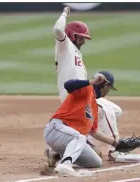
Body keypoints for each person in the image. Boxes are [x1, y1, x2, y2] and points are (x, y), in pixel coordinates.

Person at [45, 6, 122, 166]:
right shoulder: (64, 46)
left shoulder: (76, 53)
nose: (83, 41)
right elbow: (58, 29)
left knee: (115, 111)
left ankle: (62, 150)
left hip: (83, 95)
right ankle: (116, 149)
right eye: (81, 37)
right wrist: (65, 13)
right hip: (73, 95)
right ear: (71, 35)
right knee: (106, 110)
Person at [44, 72, 119, 177]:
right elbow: (68, 85)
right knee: (80, 137)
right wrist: (92, 82)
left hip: (68, 139)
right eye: (109, 88)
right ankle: (65, 164)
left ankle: (56, 155)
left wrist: (116, 144)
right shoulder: (87, 89)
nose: (108, 92)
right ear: (105, 85)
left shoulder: (94, 106)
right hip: (56, 129)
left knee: (95, 162)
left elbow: (94, 132)